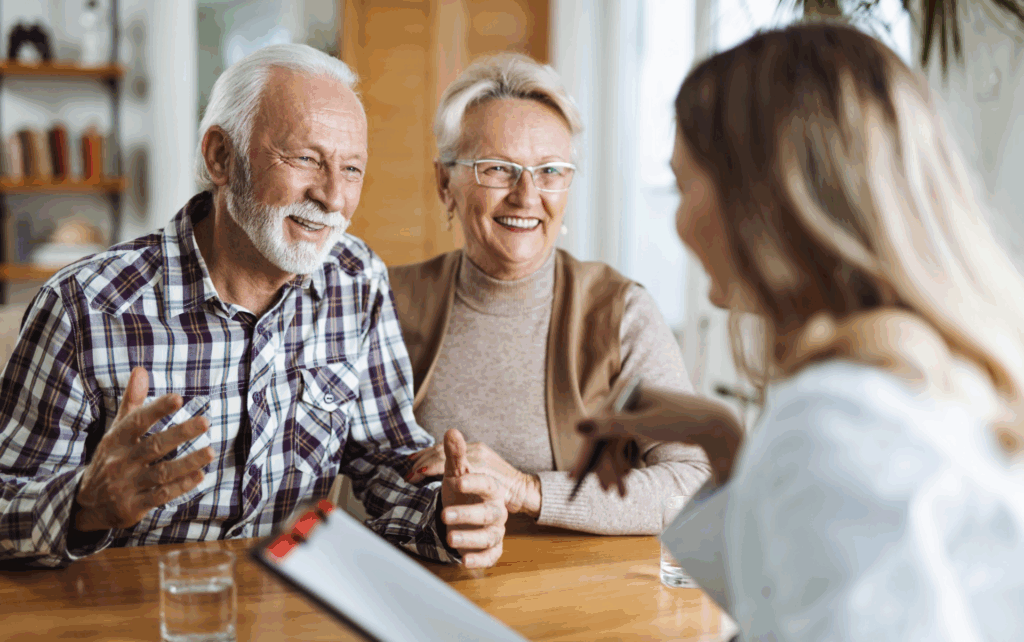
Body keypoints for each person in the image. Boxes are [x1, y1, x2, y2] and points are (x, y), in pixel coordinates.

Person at [575, 23, 1024, 641]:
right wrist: (727, 448)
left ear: (763, 197)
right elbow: (792, 592)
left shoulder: (842, 423)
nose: (678, 222)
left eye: (685, 185)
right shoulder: (931, 378)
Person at [0, 44, 506, 569]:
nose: (333, 197)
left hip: (291, 599)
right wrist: (84, 504)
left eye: (352, 169)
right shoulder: (85, 306)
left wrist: (447, 514)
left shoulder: (356, 280)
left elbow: (386, 458)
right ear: (221, 157)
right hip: (134, 610)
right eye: (305, 158)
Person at [389, 53, 711, 535]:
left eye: (550, 171)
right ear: (444, 183)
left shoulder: (621, 311)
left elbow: (695, 483)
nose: (526, 195)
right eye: (497, 168)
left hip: (577, 598)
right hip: (433, 583)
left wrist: (526, 490)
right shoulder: (383, 302)